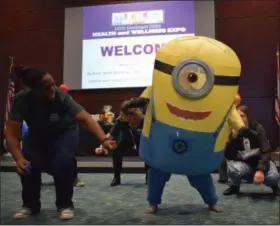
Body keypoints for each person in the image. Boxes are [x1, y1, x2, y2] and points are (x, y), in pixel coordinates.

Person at [5, 67, 116, 220]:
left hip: (65, 132)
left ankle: (65, 205)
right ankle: (30, 205)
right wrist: (19, 159)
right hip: (37, 133)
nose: (52, 89)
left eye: (53, 84)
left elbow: (86, 119)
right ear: (33, 90)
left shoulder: (61, 97)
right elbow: (11, 133)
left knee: (63, 163)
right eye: (46, 87)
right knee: (28, 165)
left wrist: (104, 140)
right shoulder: (21, 100)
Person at [223, 105, 280, 196]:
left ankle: (274, 187)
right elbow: (229, 156)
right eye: (237, 117)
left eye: (242, 116)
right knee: (232, 169)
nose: (240, 119)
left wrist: (260, 170)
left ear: (248, 117)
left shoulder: (258, 128)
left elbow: (266, 151)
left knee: (273, 177)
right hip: (245, 165)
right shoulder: (232, 132)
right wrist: (231, 139)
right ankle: (235, 187)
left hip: (262, 163)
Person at [96, 106, 149, 186]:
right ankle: (116, 178)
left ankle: (149, 177)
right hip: (125, 140)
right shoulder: (120, 120)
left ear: (134, 116)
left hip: (141, 140)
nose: (122, 117)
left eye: (125, 116)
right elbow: (109, 135)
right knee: (116, 151)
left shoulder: (144, 119)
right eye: (122, 115)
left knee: (148, 152)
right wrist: (101, 146)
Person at [58, 84, 84, 187]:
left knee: (70, 156)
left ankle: (74, 179)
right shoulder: (53, 101)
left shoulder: (70, 102)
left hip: (70, 130)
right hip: (57, 131)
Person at [218, 93, 242, 183]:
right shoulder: (230, 110)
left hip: (230, 137)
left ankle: (225, 176)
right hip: (226, 137)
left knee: (223, 157)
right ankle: (224, 176)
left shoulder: (233, 110)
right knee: (222, 157)